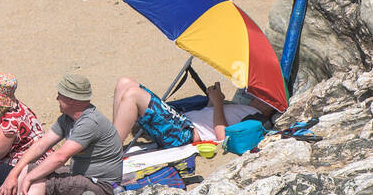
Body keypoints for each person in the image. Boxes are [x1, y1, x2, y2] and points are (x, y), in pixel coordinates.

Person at [0, 71, 123, 195]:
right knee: (28, 168)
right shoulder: (67, 118)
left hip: (102, 187)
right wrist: (14, 173)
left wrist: (30, 178)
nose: (56, 98)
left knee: (41, 182)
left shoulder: (89, 123)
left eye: (60, 95)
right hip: (81, 176)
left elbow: (60, 157)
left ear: (71, 99)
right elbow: (40, 145)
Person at [112, 77, 277, 148]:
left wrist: (218, 103)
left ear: (271, 105)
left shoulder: (257, 119)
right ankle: (113, 139)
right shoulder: (244, 108)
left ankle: (110, 150)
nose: (256, 96)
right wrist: (213, 99)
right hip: (180, 121)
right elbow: (210, 117)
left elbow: (224, 137)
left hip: (185, 133)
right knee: (124, 82)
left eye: (265, 96)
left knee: (133, 94)